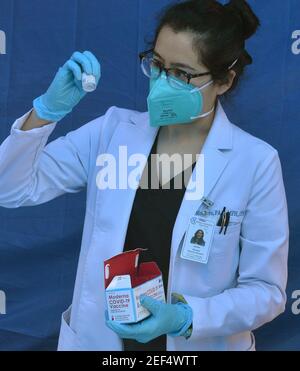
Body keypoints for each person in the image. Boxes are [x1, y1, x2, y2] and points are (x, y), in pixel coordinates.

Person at [0, 0, 289, 351]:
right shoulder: (111, 132)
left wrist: (187, 317)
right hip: (101, 341)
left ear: (224, 80)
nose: (163, 82)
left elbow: (267, 291)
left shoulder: (255, 162)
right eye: (157, 64)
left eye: (182, 74)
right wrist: (46, 111)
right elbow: (10, 189)